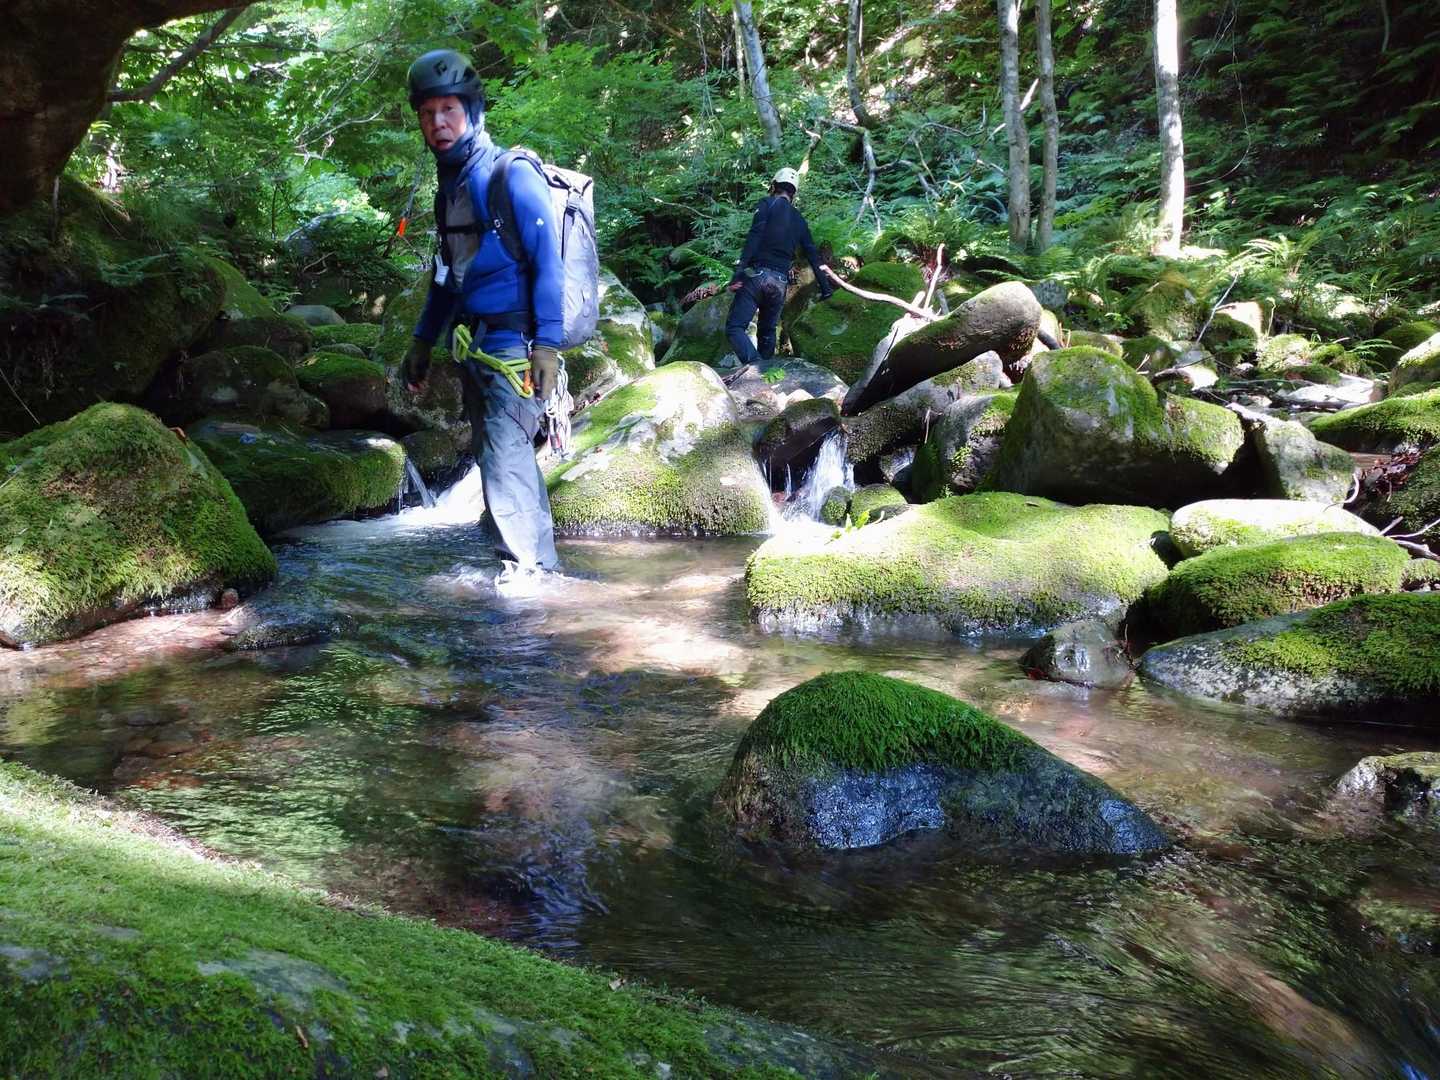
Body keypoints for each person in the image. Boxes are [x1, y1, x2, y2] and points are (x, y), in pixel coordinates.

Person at [401, 48, 561, 580]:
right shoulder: (449, 190)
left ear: (472, 110)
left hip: (515, 348)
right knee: (499, 455)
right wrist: (422, 342)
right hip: (475, 344)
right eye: (428, 113)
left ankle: (529, 578)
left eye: (449, 109)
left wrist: (548, 345)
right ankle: (528, 569)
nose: (438, 123)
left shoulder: (509, 175)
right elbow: (446, 274)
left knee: (504, 457)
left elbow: (549, 262)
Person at [724, 167, 833, 368]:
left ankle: (755, 366)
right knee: (767, 331)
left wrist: (739, 272)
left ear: (773, 186)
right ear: (793, 193)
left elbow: (754, 236)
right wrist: (826, 289)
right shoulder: (799, 220)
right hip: (780, 283)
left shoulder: (767, 204)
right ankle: (765, 374)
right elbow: (813, 255)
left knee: (735, 327)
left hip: (757, 276)